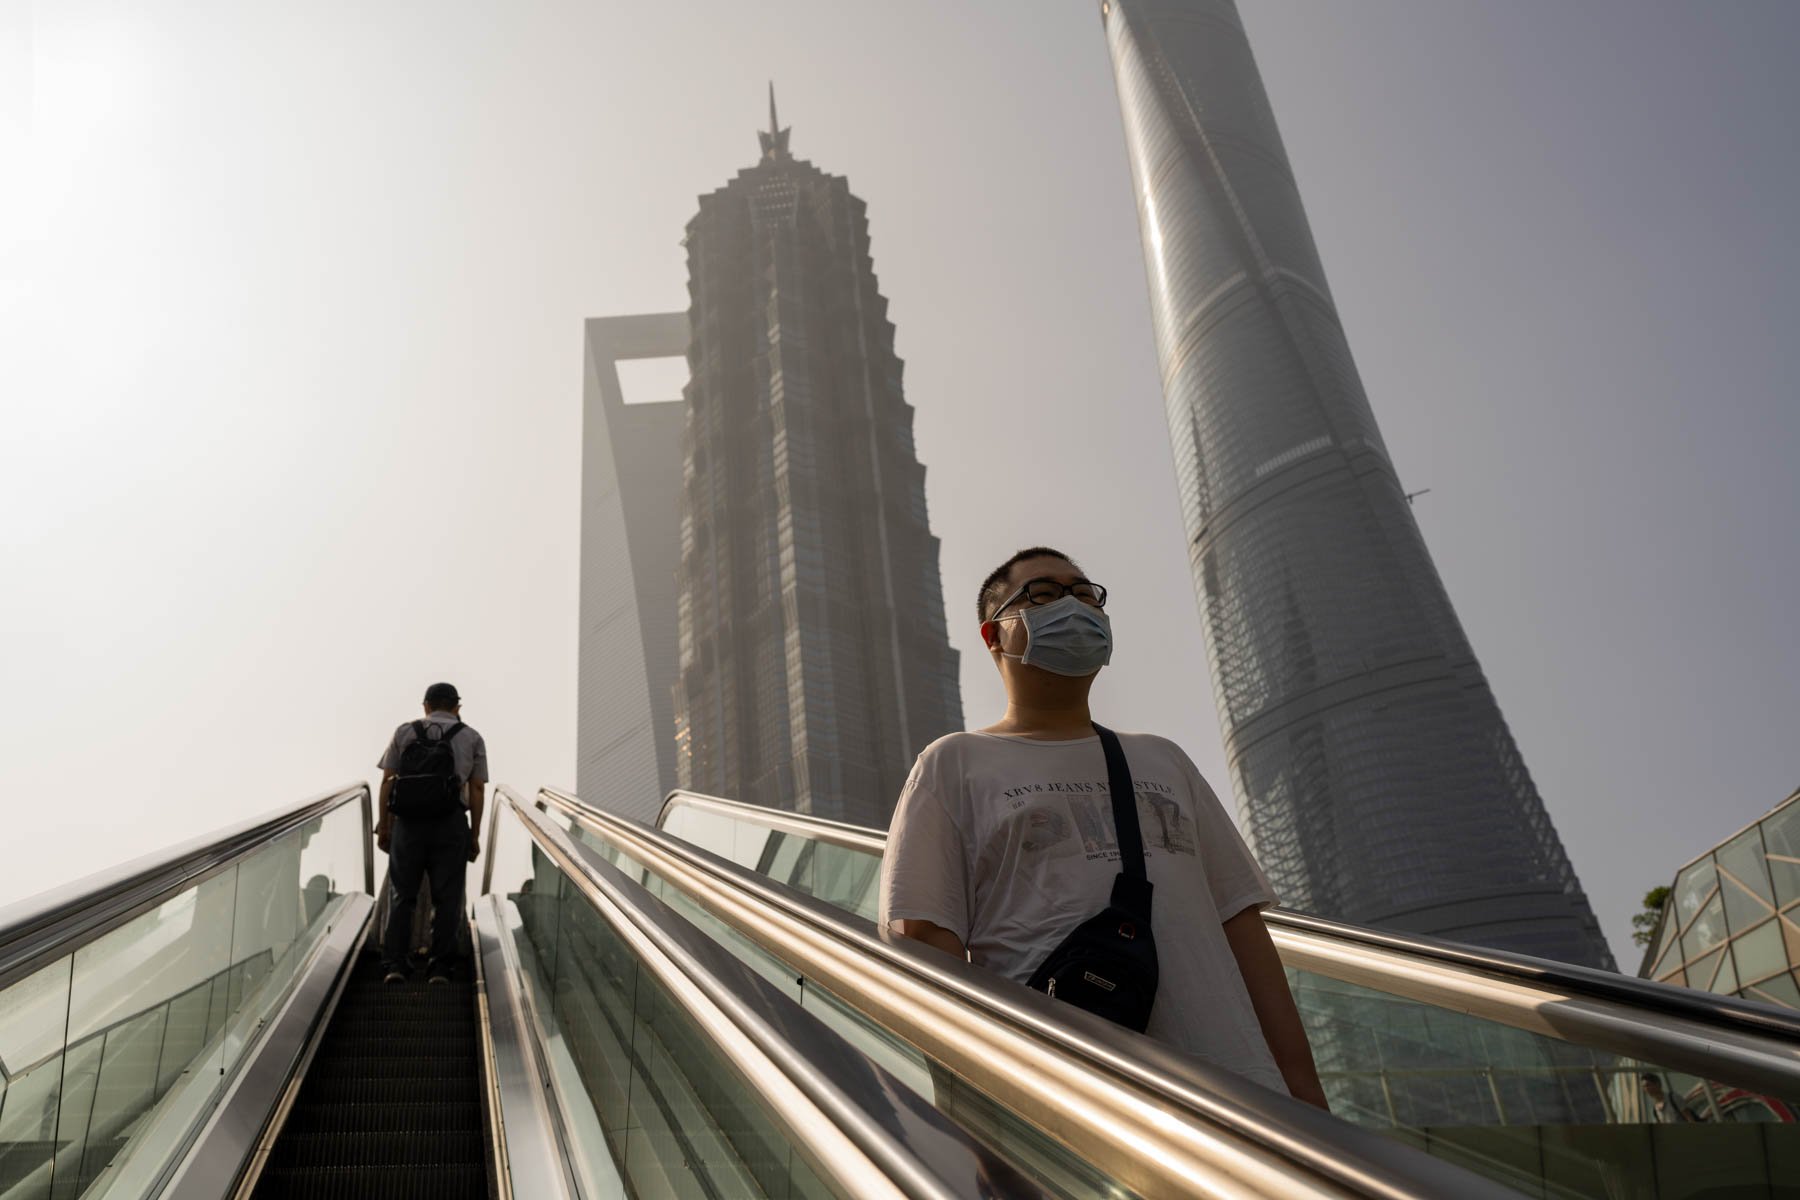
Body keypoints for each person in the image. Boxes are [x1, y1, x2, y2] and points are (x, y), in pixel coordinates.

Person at [879, 547, 1328, 1106]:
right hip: (1071, 1102)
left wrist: (1305, 1094)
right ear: (994, 636)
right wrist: (978, 1117)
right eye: (1044, 593)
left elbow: (1244, 932)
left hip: (1242, 1092)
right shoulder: (954, 764)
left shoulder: (1164, 760)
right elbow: (926, 947)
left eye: (1085, 594)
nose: (1073, 604)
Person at [376, 682, 488, 985]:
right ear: (457, 707)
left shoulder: (404, 732)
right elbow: (476, 789)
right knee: (448, 898)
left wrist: (384, 826)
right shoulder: (471, 737)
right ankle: (440, 969)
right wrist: (474, 835)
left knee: (403, 895)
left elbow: (388, 781)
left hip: (408, 824)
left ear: (425, 706)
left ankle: (395, 965)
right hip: (450, 824)